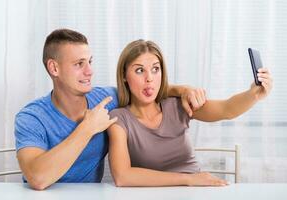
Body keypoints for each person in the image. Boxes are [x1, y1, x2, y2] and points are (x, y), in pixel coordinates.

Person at [14, 29, 206, 190]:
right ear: (54, 68)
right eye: (79, 64)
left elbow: (144, 88)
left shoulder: (108, 99)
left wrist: (182, 90)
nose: (90, 71)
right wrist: (87, 128)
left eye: (90, 62)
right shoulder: (31, 117)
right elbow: (37, 178)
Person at [108, 39, 273, 187]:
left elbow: (227, 109)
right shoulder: (119, 119)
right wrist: (188, 179)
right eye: (139, 71)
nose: (149, 78)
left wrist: (254, 94)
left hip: (196, 192)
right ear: (124, 75)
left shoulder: (179, 105)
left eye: (155, 69)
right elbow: (123, 176)